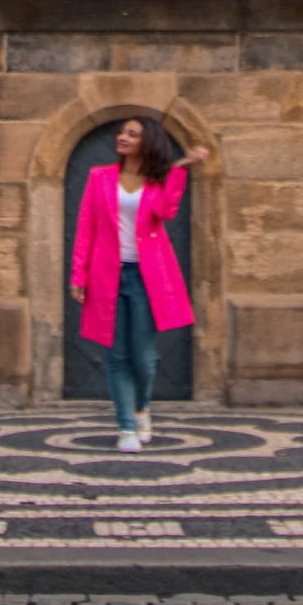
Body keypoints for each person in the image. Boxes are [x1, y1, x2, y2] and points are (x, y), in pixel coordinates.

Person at [70, 116, 207, 452]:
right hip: (107, 276)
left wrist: (181, 169)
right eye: (122, 132)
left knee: (143, 357)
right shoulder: (99, 177)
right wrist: (78, 275)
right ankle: (126, 427)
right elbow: (86, 226)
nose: (122, 137)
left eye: (132, 134)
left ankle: (142, 408)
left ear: (147, 143)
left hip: (146, 277)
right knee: (115, 355)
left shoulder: (157, 181)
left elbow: (167, 212)